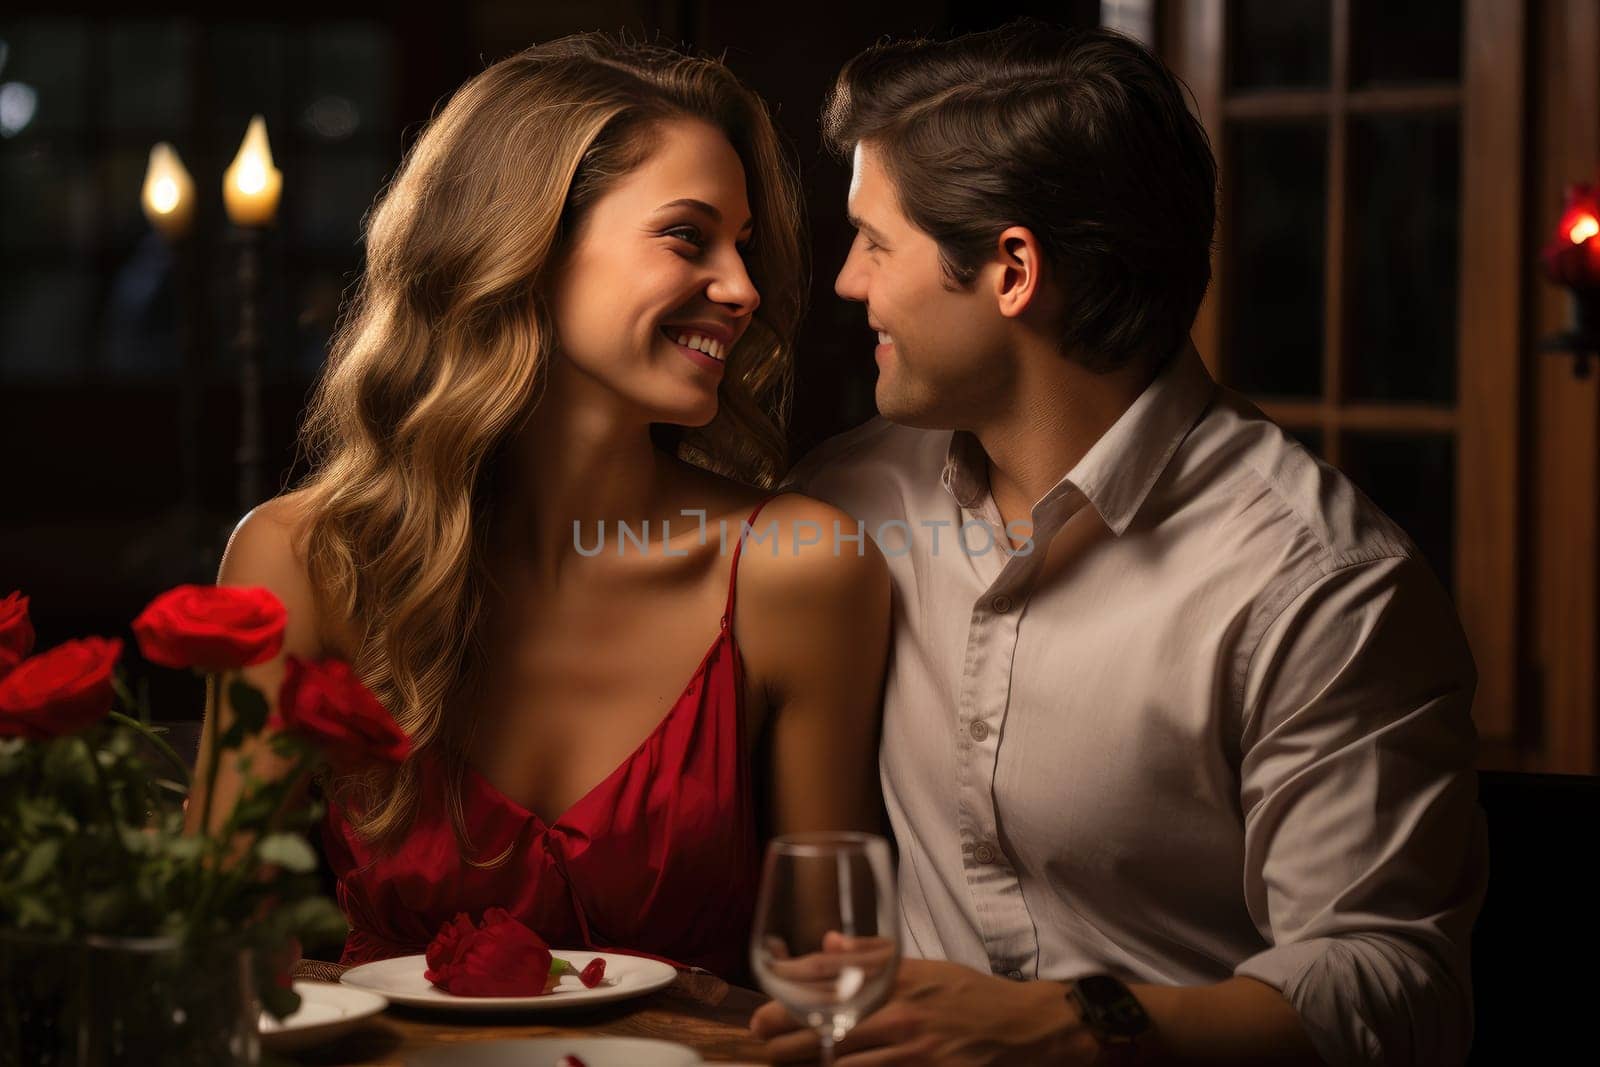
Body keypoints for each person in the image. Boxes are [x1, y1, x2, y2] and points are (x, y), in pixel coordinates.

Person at [753, 24, 1484, 1066]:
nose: (846, 282)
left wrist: (1067, 1023)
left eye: (876, 242)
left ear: (1011, 269)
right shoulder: (844, 501)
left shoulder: (1319, 585)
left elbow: (1394, 989)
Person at [186, 34, 890, 981]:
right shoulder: (303, 561)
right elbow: (207, 946)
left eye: (744, 249)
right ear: (521, 242)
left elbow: (824, 978)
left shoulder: (796, 567)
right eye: (689, 236)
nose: (742, 290)